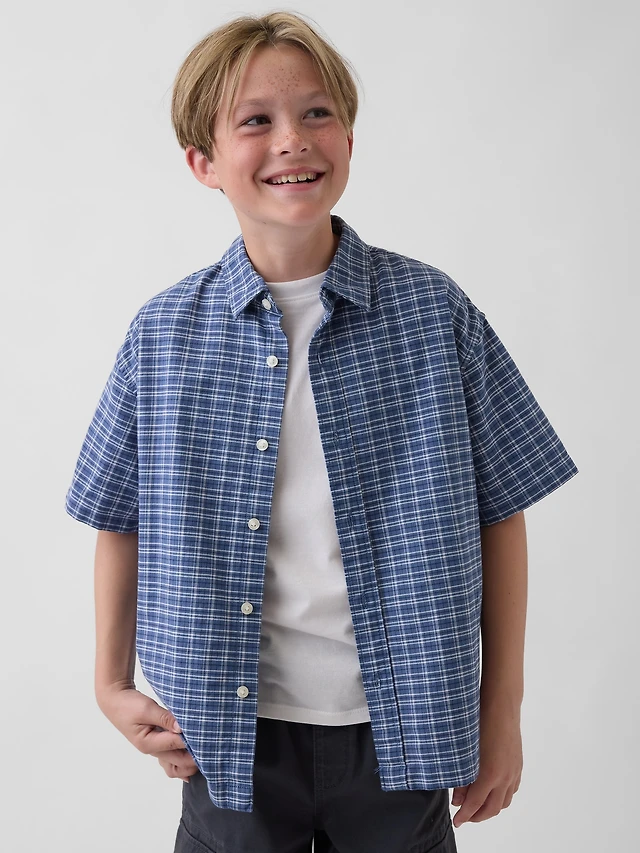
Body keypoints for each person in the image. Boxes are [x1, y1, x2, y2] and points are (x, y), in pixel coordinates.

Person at [65, 10, 578, 853]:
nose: (293, 140)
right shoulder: (163, 335)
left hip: (403, 725)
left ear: (348, 136)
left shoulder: (434, 313)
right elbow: (118, 517)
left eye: (316, 113)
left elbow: (502, 510)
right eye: (255, 120)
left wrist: (503, 711)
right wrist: (108, 682)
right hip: (227, 732)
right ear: (203, 162)